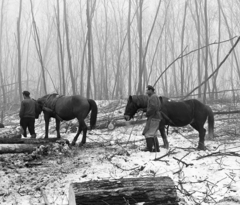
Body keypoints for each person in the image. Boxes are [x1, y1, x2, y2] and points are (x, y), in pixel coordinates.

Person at [142, 85, 161, 152]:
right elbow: (154, 107)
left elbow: (153, 107)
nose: (146, 91)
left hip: (153, 117)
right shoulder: (155, 96)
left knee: (148, 133)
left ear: (151, 90)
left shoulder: (153, 97)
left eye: (148, 90)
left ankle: (149, 148)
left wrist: (147, 113)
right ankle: (156, 148)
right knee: (153, 134)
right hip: (156, 116)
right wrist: (145, 110)